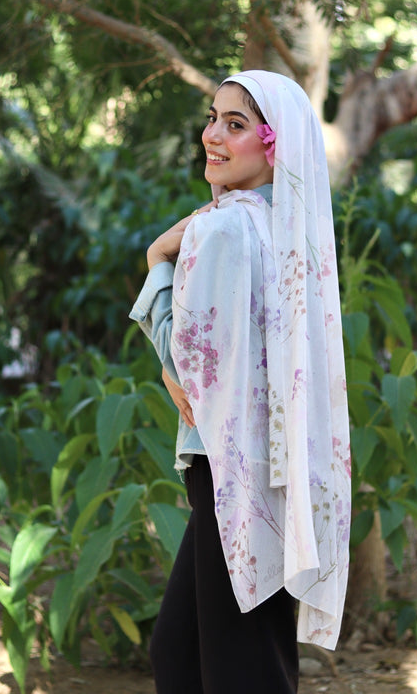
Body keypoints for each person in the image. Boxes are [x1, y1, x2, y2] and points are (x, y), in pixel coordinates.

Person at [129, 70, 351, 694]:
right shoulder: (290, 225)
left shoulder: (220, 226)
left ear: (273, 145)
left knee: (236, 663)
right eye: (212, 118)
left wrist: (156, 260)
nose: (213, 135)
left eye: (236, 124)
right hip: (279, 459)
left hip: (227, 464)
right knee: (189, 650)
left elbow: (188, 360)